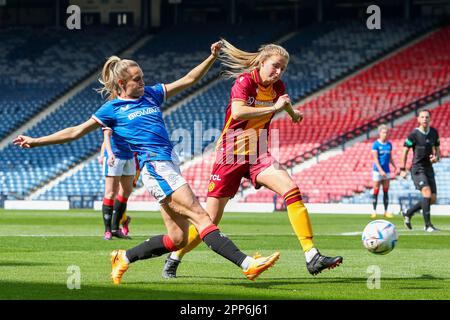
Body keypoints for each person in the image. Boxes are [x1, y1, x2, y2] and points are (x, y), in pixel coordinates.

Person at [13, 41, 280, 285]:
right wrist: (35, 141)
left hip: (169, 165)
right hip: (155, 168)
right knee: (201, 216)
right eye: (136, 80)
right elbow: (74, 132)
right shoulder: (112, 110)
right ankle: (247, 264)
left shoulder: (151, 94)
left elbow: (188, 79)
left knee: (177, 238)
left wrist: (210, 58)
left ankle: (123, 257)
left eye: (142, 78)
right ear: (120, 84)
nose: (143, 83)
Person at [162, 39, 343, 279]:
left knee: (291, 189)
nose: (278, 72)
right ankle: (175, 257)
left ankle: (311, 256)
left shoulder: (277, 87)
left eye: (283, 69)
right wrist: (277, 109)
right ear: (262, 62)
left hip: (258, 152)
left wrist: (292, 112)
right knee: (210, 219)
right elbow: (238, 112)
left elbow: (282, 102)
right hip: (230, 154)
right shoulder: (244, 82)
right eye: (275, 66)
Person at [400, 109, 441, 232]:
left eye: (427, 117)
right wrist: (402, 169)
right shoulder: (413, 134)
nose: (424, 119)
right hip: (418, 168)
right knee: (427, 194)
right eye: (422, 117)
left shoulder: (434, 132)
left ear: (430, 119)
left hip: (429, 168)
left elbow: (437, 150)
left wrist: (436, 158)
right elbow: (405, 151)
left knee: (432, 199)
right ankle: (427, 225)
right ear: (418, 119)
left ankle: (408, 212)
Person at [97, 128, 136, 240]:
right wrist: (107, 154)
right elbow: (106, 136)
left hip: (130, 156)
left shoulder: (133, 115)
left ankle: (115, 229)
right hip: (115, 156)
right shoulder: (114, 112)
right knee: (111, 193)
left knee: (126, 192)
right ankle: (107, 230)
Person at [370, 124, 397, 219]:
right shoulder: (375, 144)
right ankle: (374, 211)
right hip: (377, 171)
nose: (385, 134)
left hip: (387, 171)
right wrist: (380, 170)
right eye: (383, 132)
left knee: (386, 191)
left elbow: (390, 158)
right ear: (379, 133)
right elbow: (375, 159)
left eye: (386, 132)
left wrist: (395, 167)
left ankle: (386, 211)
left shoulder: (389, 144)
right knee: (376, 191)